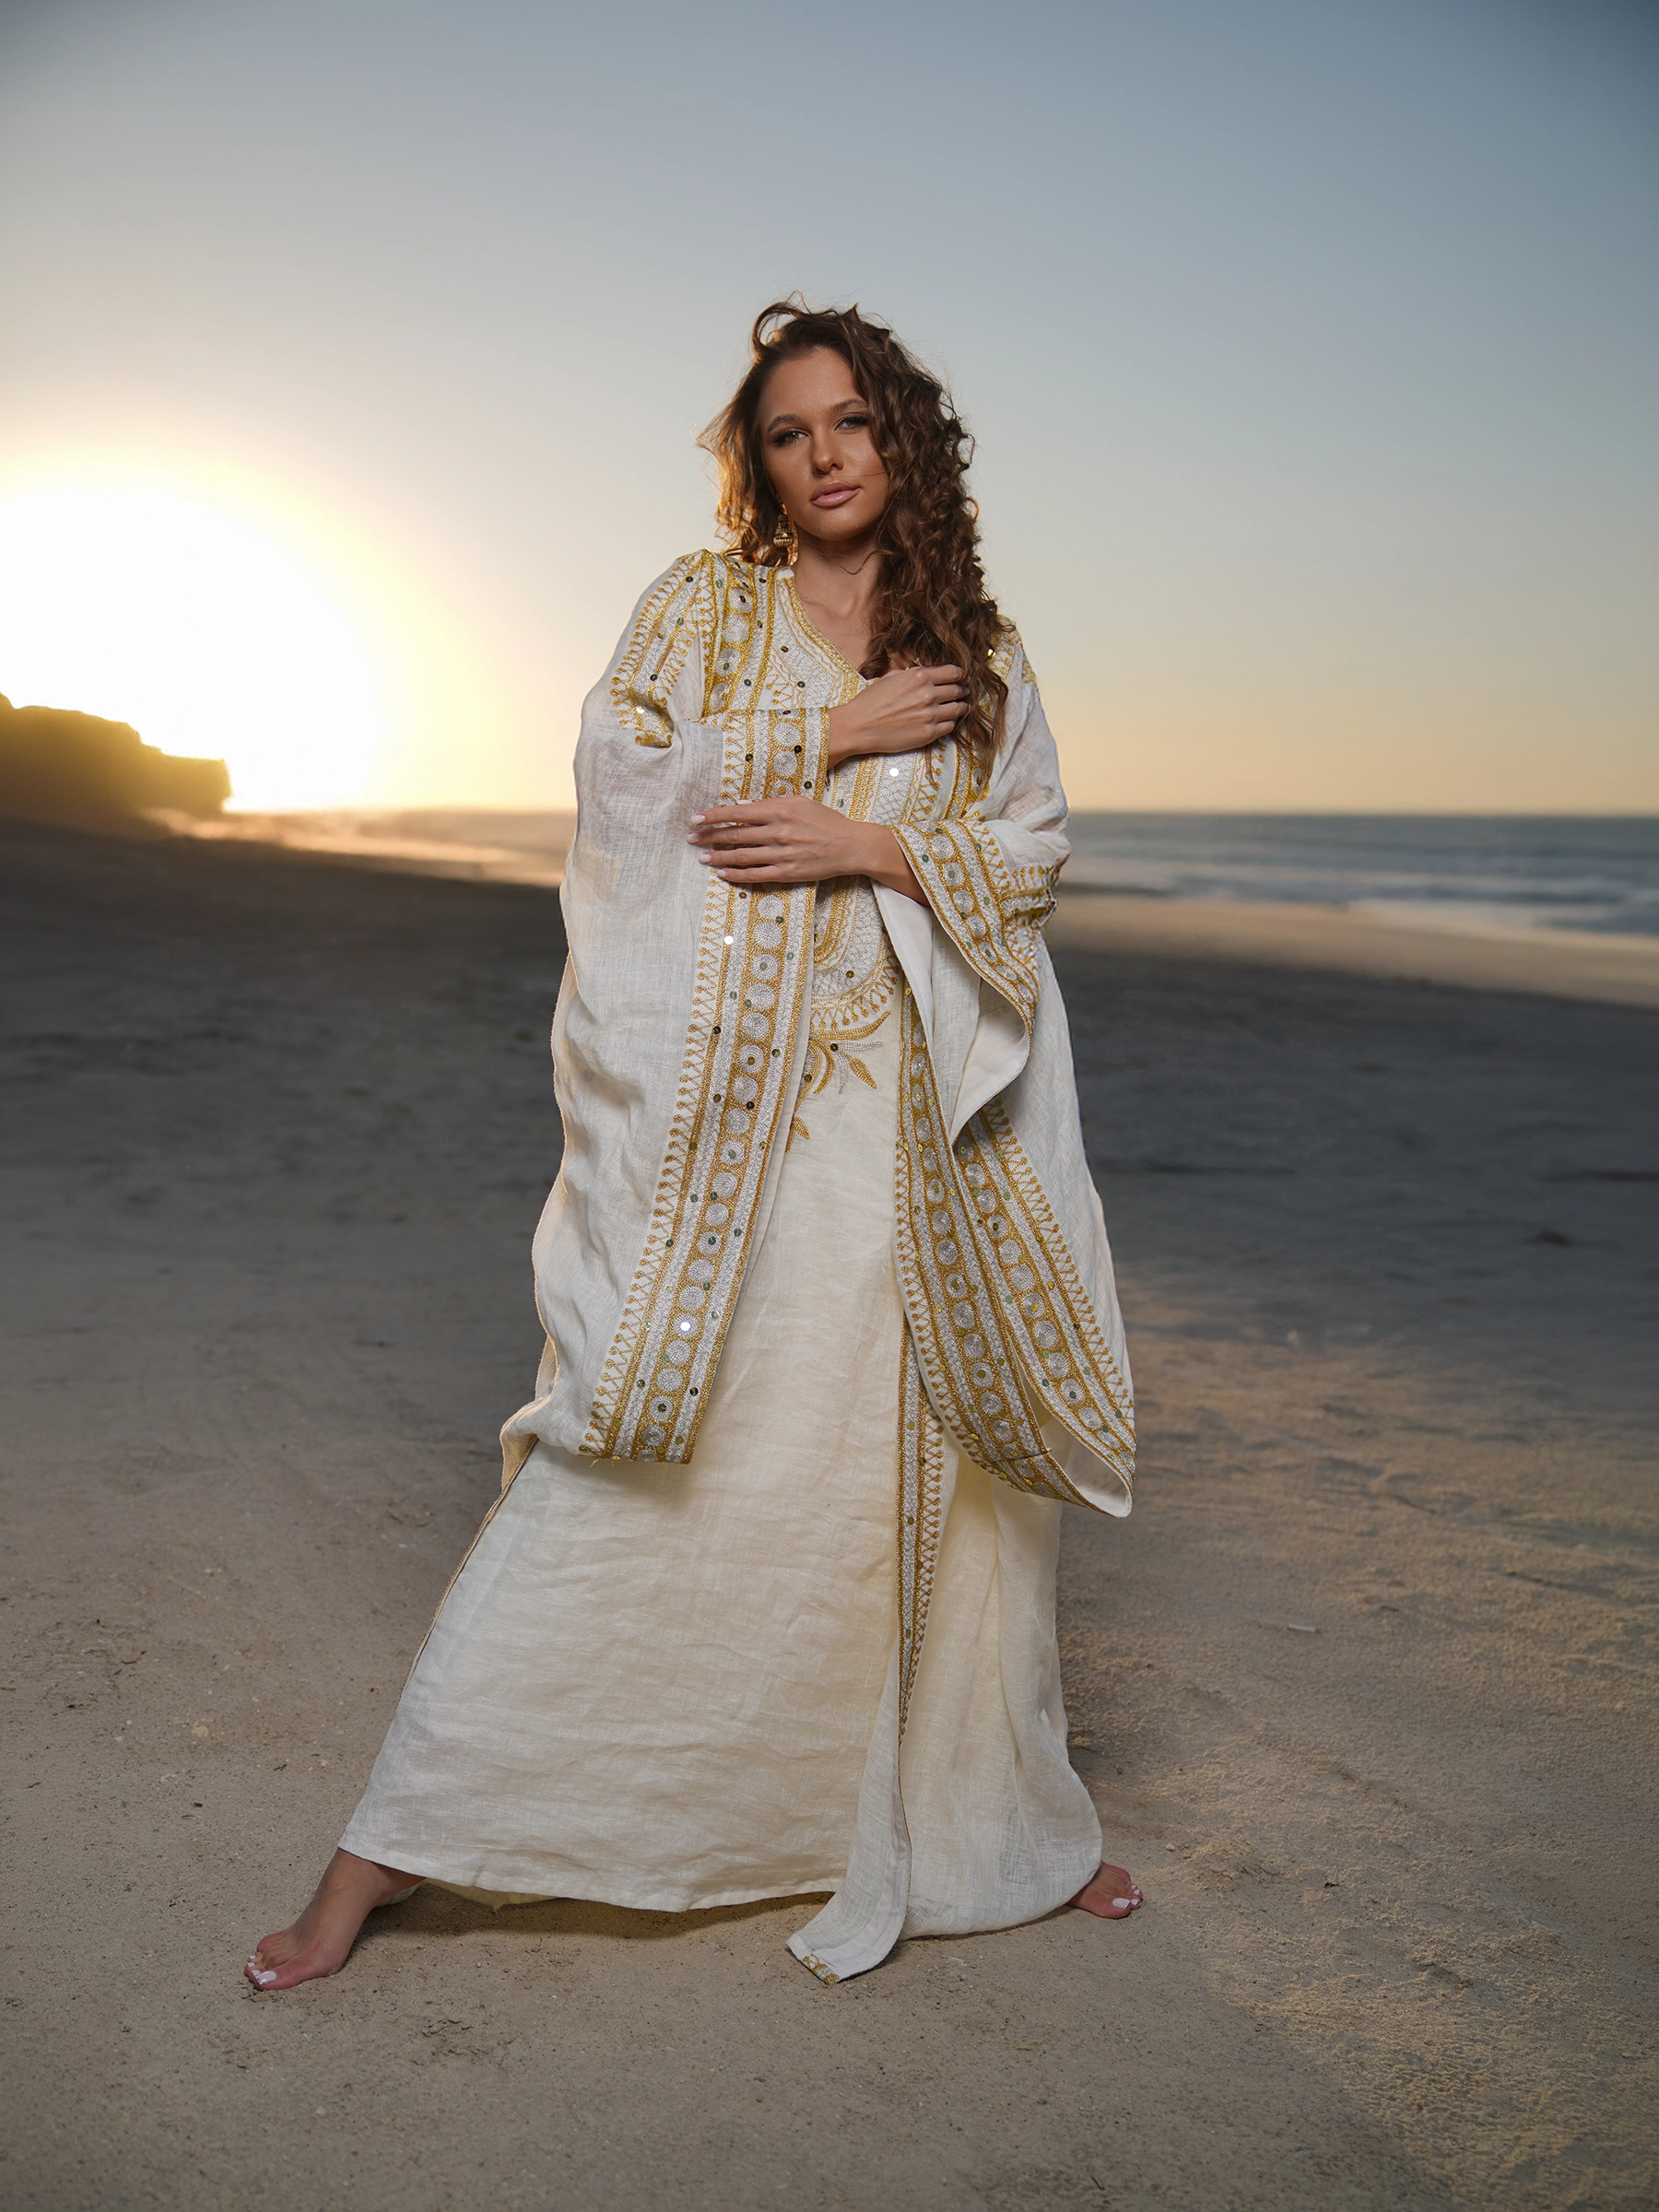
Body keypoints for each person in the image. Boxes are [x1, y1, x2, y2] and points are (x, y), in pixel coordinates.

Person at [246, 300, 1142, 1994]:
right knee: (638, 1460)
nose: (823, 457)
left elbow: (1031, 852)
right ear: (761, 461)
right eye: (789, 434)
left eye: (851, 423)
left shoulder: (981, 654)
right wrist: (826, 737)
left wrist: (873, 851)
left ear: (904, 440)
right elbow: (621, 790)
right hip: (742, 1146)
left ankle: (996, 1823)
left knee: (928, 1488)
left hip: (915, 1147)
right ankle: (381, 1855)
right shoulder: (700, 608)